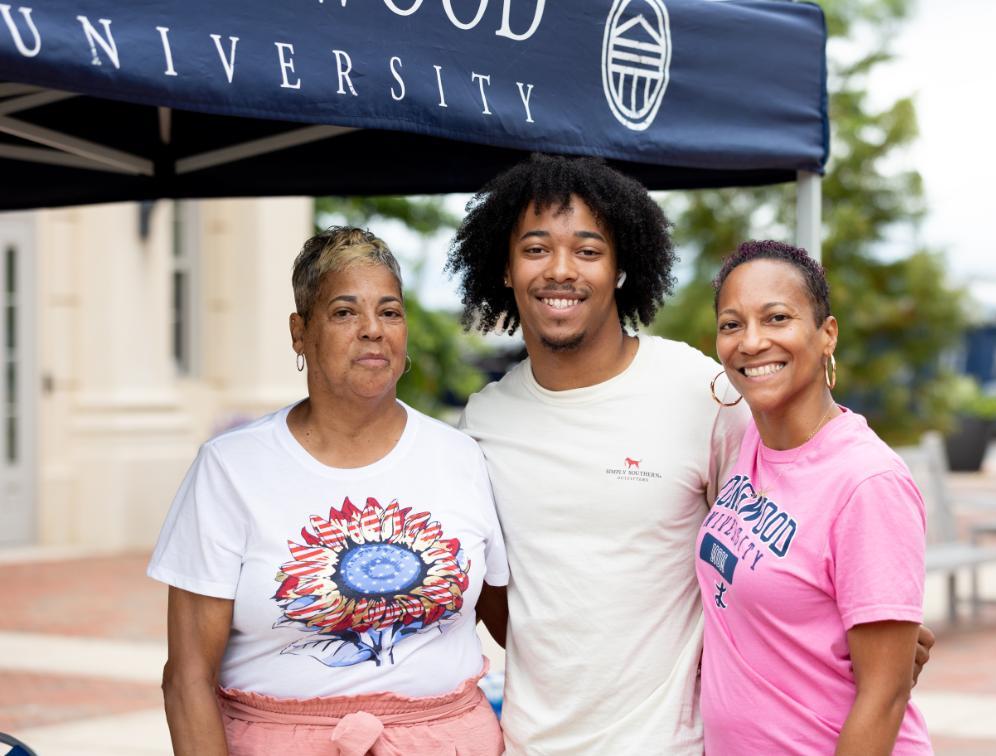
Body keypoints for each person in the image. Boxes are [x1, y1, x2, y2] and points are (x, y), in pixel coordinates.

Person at [447, 155, 933, 755]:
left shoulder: (702, 391)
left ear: (623, 268)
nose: (562, 271)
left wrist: (870, 641)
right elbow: (493, 590)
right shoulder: (482, 423)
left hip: (678, 744)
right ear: (504, 264)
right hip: (532, 741)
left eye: (589, 250)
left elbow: (792, 515)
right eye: (537, 248)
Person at [148, 227, 508, 755]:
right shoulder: (231, 468)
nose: (372, 330)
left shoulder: (460, 457)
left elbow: (510, 625)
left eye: (389, 312)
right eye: (344, 312)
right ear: (300, 332)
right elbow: (186, 680)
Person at [697, 239, 932, 754]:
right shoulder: (753, 440)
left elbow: (885, 695)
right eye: (732, 324)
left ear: (827, 334)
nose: (752, 342)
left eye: (777, 318)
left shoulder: (867, 482)